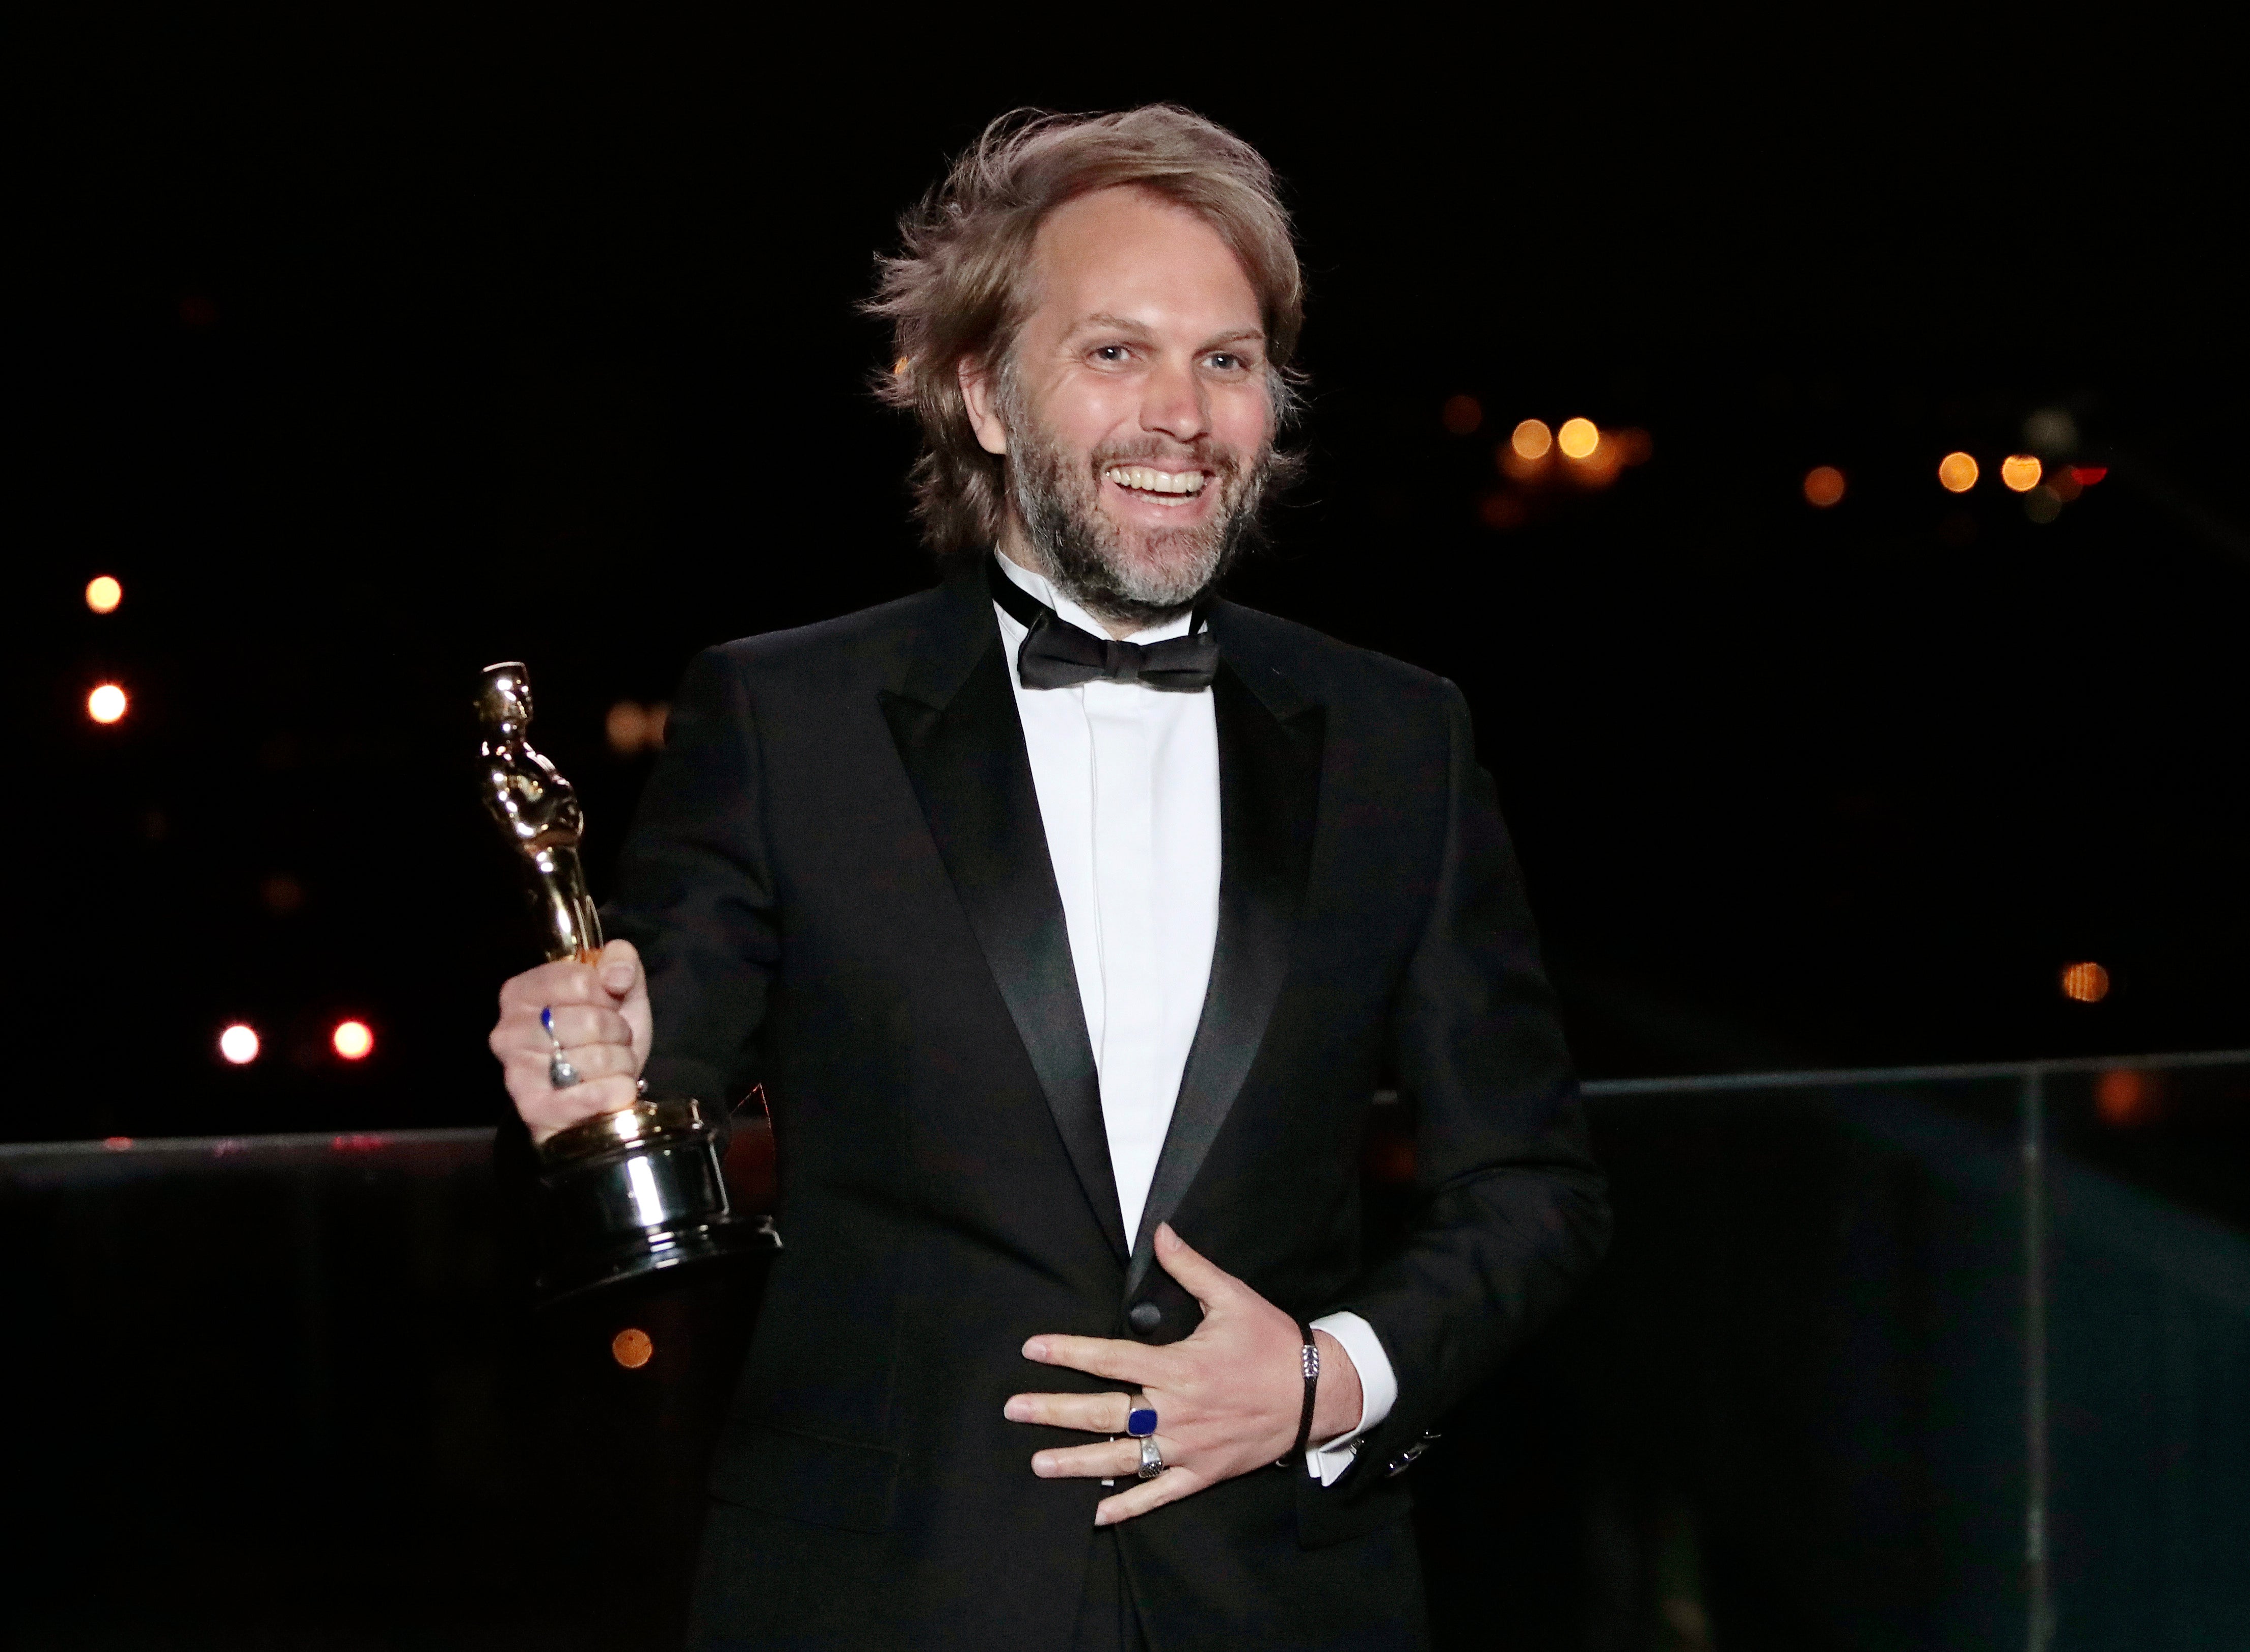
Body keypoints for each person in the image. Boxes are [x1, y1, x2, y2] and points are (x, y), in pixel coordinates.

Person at [487, 104, 1609, 1652]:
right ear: (984, 394)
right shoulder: (785, 715)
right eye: (1114, 354)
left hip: (1281, 1598)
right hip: (883, 1597)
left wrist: (1322, 1377)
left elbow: (1532, 1188)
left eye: (1225, 360)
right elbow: (649, 1070)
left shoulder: (1398, 738)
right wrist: (577, 1065)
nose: (1183, 415)